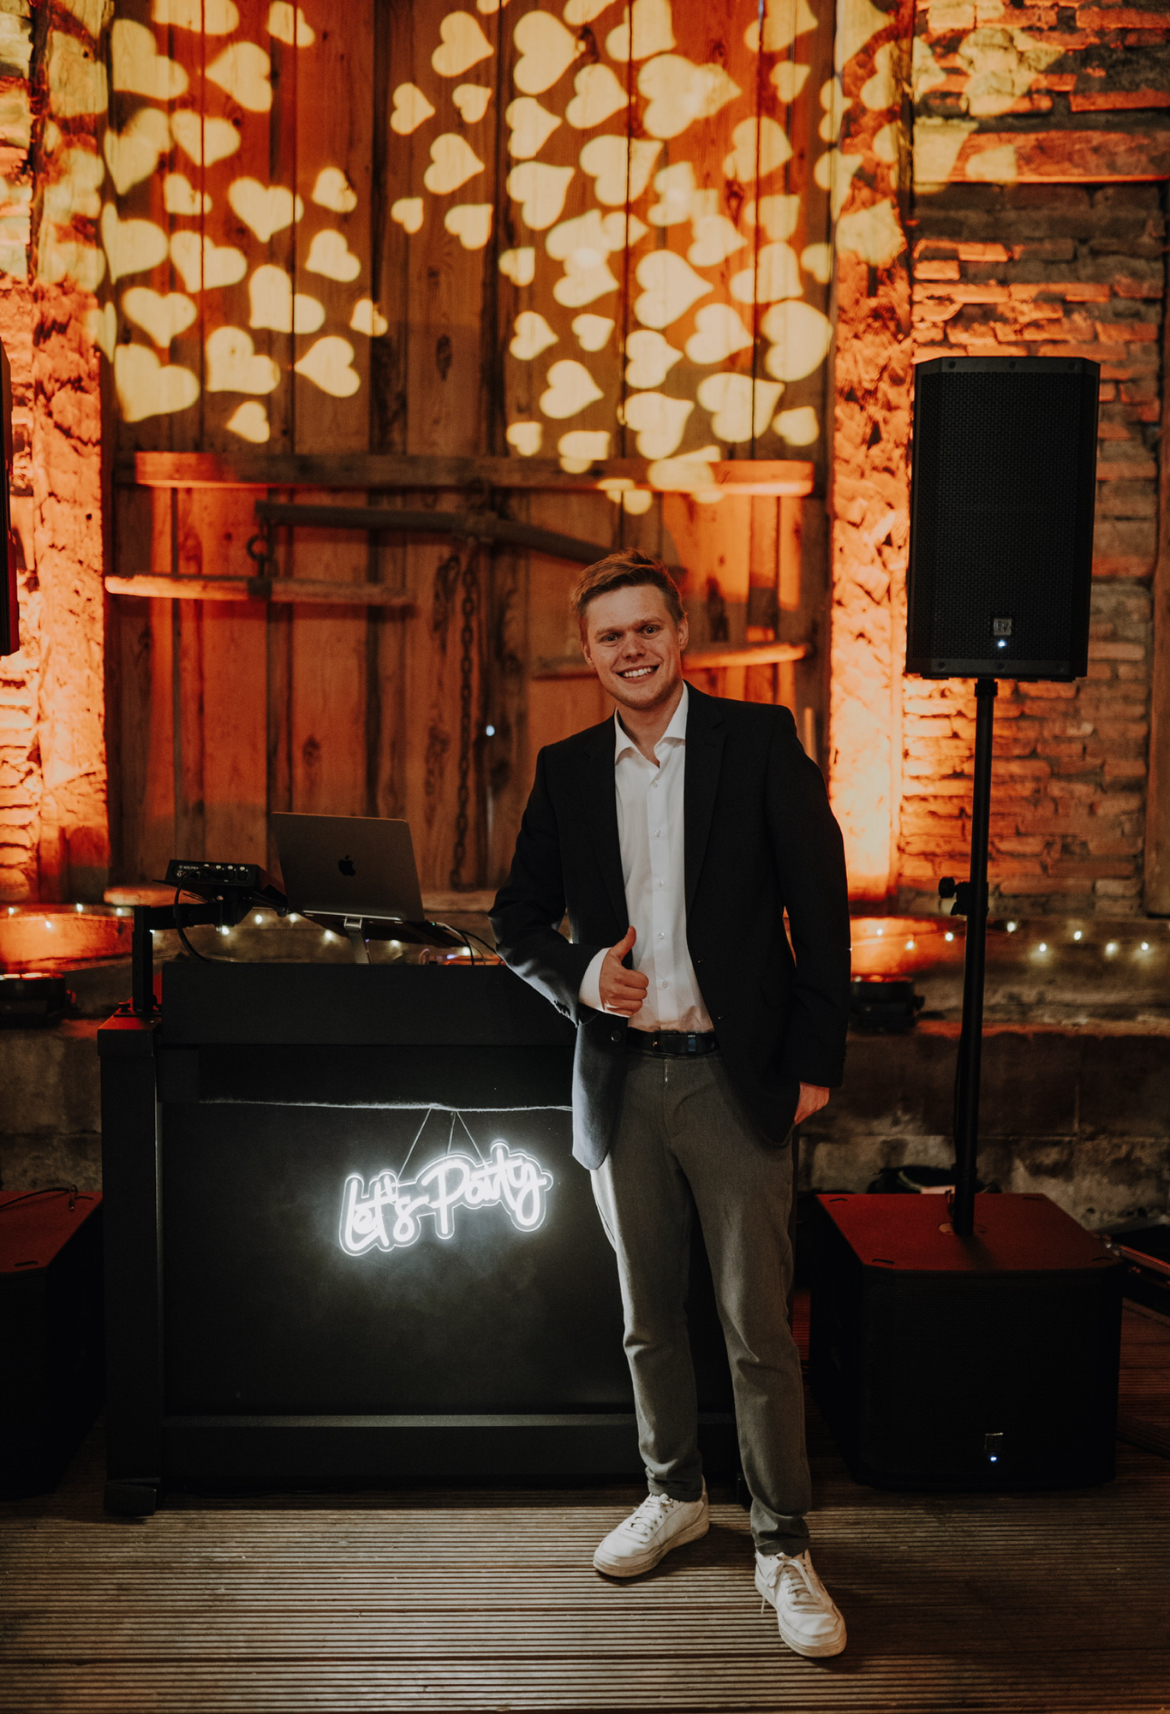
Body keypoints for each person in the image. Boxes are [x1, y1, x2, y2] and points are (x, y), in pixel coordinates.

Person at [490, 549, 851, 1658]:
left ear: (681, 634)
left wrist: (816, 1060)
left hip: (735, 1079)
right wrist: (580, 975)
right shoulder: (564, 769)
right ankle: (675, 1492)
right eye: (611, 636)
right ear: (588, 653)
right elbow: (516, 920)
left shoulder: (760, 743)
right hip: (619, 1079)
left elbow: (821, 907)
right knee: (648, 1317)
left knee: (756, 1328)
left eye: (648, 628)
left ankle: (784, 1543)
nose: (632, 649)